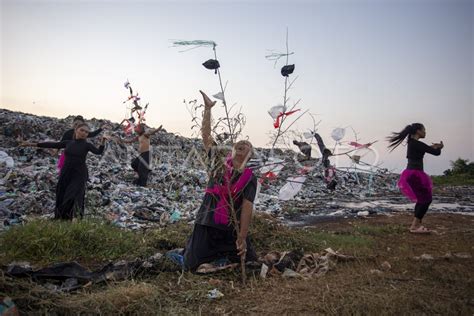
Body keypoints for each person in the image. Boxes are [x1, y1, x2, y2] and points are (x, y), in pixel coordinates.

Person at [183, 90, 258, 271]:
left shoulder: (249, 177)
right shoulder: (219, 164)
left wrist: (242, 236)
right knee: (190, 265)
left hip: (231, 227)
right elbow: (206, 137)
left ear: (250, 154)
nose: (242, 143)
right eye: (239, 143)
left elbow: (247, 209)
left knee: (250, 263)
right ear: (232, 149)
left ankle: (222, 257)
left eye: (247, 144)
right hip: (207, 222)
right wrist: (208, 109)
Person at [20, 123, 107, 220]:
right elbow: (52, 144)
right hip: (66, 172)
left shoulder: (87, 145)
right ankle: (61, 219)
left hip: (79, 174)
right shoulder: (68, 143)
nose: (84, 133)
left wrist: (103, 141)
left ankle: (76, 218)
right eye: (82, 130)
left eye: (86, 132)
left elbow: (98, 152)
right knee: (61, 194)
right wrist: (30, 144)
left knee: (73, 195)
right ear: (76, 130)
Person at [388, 123, 443, 233]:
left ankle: (416, 225)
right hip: (415, 174)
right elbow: (436, 153)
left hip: (411, 174)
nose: (425, 132)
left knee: (422, 199)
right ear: (418, 131)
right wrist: (440, 147)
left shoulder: (412, 143)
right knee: (426, 199)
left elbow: (425, 148)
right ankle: (414, 227)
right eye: (424, 130)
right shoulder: (416, 144)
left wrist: (432, 147)